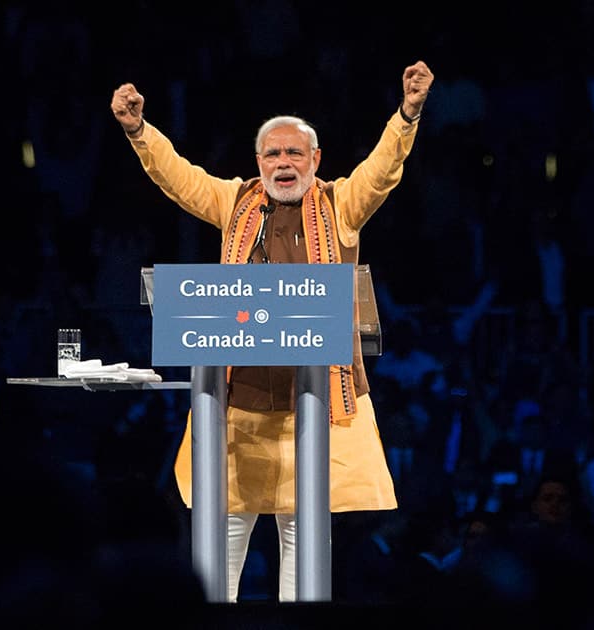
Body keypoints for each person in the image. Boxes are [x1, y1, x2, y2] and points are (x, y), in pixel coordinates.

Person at [110, 59, 434, 602]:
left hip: (316, 401)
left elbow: (381, 171)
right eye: (273, 153)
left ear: (315, 160)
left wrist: (407, 115)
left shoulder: (341, 206)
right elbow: (179, 177)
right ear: (258, 162)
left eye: (294, 153)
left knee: (301, 540)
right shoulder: (235, 202)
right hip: (238, 403)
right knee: (226, 535)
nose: (284, 162)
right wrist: (139, 132)